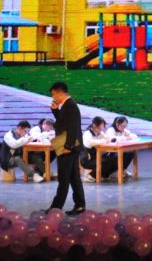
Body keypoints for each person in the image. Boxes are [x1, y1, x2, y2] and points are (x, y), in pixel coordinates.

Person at [47, 82, 86, 215]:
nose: (53, 97)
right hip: (70, 146)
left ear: (60, 93)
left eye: (53, 94)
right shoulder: (66, 105)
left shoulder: (71, 106)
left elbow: (73, 127)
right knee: (74, 178)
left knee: (64, 178)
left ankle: (56, 208)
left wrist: (69, 146)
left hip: (69, 147)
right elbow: (63, 123)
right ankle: (80, 205)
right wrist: (55, 110)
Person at [80, 116, 117, 183]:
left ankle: (104, 175)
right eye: (100, 127)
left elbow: (108, 138)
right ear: (94, 125)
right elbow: (89, 143)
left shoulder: (100, 133)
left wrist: (112, 139)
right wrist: (103, 141)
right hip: (88, 160)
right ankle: (91, 176)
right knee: (106, 161)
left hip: (97, 157)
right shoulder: (87, 134)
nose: (101, 129)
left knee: (114, 158)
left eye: (102, 127)